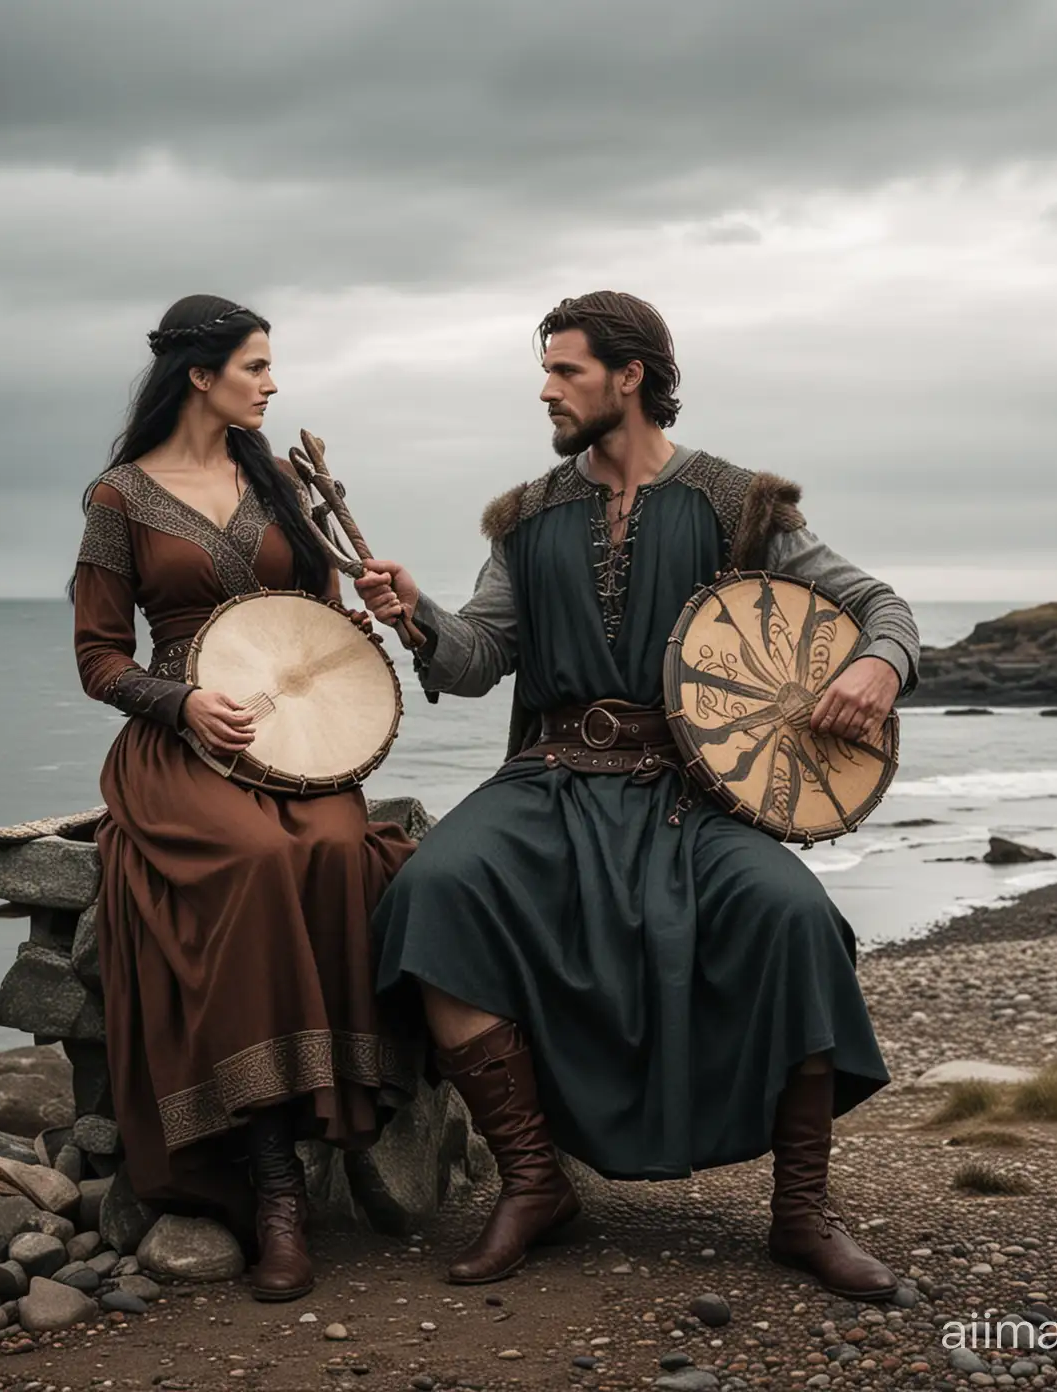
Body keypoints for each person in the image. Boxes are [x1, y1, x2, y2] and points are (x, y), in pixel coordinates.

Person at [355, 291, 915, 1298]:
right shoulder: (526, 517)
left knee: (795, 918)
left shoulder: (742, 504)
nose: (547, 389)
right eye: (547, 371)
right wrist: (418, 618)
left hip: (689, 793)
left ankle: (801, 1215)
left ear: (632, 378)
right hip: (552, 781)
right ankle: (532, 1182)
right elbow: (481, 656)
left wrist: (881, 665)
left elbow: (877, 604)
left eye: (565, 371)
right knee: (430, 895)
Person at [72, 294, 419, 1302]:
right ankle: (272, 1184)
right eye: (257, 367)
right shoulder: (120, 498)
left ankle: (336, 1119)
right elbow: (98, 659)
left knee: (334, 849)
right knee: (259, 860)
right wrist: (179, 702)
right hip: (183, 744)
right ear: (200, 374)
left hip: (300, 742)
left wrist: (350, 624)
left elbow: (311, 609)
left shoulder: (277, 483)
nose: (271, 385)